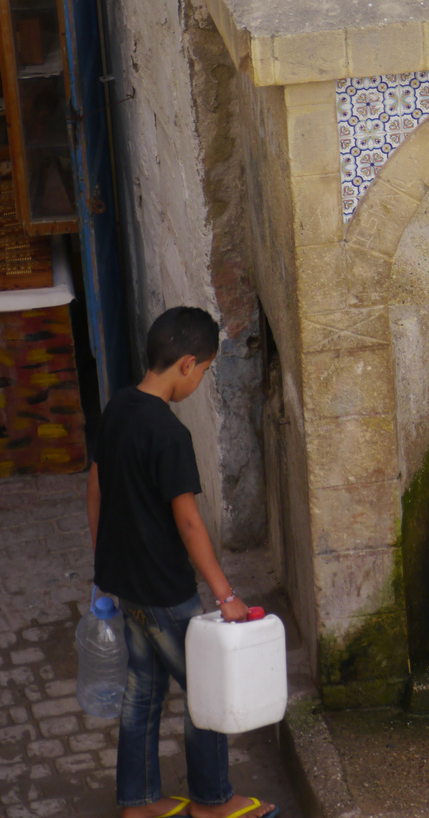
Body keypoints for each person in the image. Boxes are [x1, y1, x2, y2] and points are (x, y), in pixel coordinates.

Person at [87, 307, 277, 818]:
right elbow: (189, 524)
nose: (202, 380)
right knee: (205, 687)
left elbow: (95, 488)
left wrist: (103, 562)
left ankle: (140, 799)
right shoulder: (170, 436)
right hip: (166, 589)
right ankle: (213, 801)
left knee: (144, 689)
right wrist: (226, 596)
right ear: (188, 364)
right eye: (208, 370)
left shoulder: (118, 409)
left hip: (125, 582)